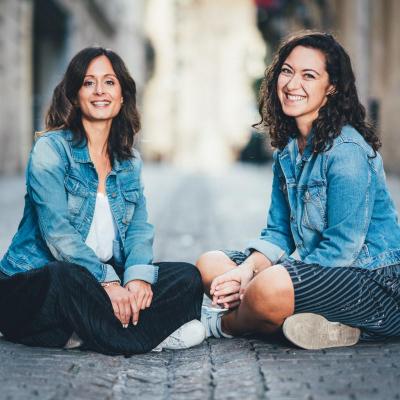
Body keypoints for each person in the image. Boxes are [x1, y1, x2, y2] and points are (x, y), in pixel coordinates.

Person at [197, 32, 400, 350]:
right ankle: (315, 324)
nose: (292, 85)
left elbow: (341, 250)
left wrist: (260, 281)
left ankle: (223, 324)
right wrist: (247, 271)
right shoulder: (288, 151)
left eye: (309, 75)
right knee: (211, 265)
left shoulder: (347, 152)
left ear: (331, 87)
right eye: (287, 71)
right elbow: (278, 233)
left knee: (267, 289)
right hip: (321, 271)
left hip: (372, 283)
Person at [0, 47, 205, 355]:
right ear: (75, 95)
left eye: (109, 82)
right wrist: (107, 282)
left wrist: (136, 278)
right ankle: (144, 338)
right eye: (88, 82)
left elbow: (138, 228)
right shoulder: (51, 150)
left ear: (122, 95)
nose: (99, 91)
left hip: (96, 288)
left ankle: (85, 332)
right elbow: (57, 233)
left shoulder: (128, 162)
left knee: (187, 277)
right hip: (37, 285)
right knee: (66, 276)